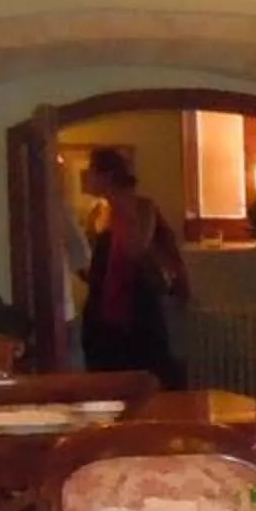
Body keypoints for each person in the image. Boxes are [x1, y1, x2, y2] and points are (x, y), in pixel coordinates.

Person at [76, 145, 189, 383]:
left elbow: (135, 250)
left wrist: (121, 210)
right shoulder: (97, 212)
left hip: (137, 307)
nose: (86, 178)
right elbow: (91, 263)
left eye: (91, 171)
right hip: (102, 308)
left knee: (146, 376)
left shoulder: (140, 207)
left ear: (106, 175)